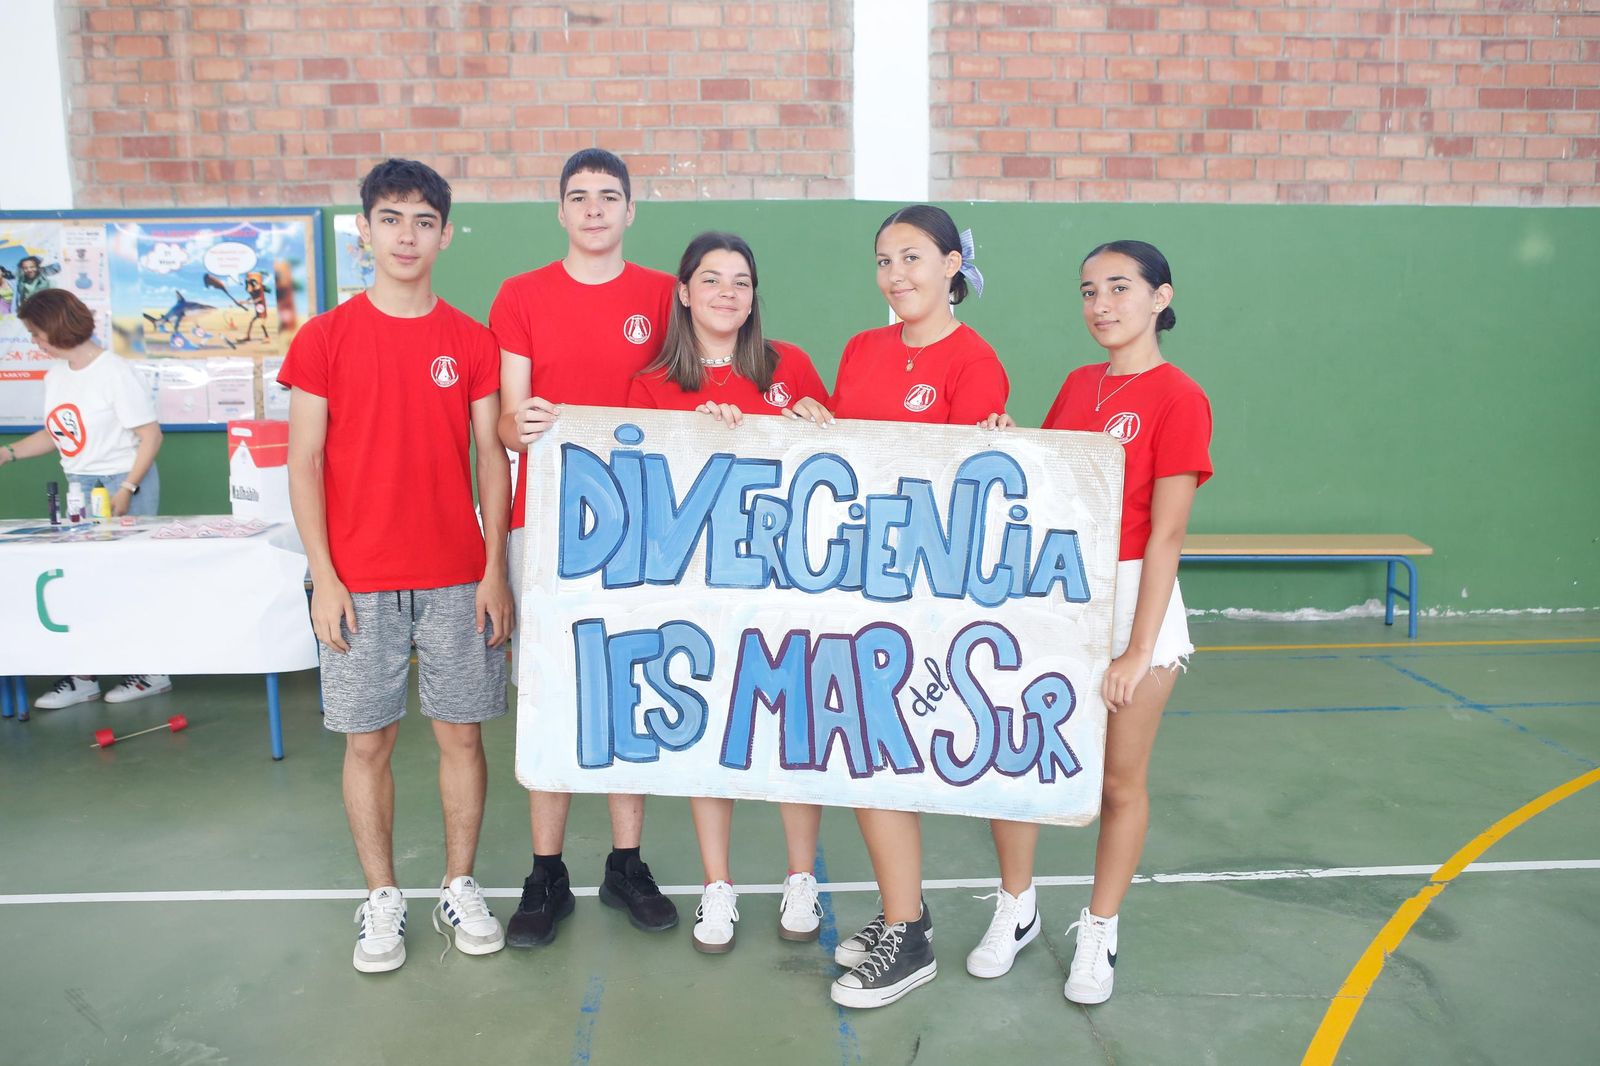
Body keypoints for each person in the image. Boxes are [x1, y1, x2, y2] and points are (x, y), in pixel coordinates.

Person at [281, 158, 514, 974]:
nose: (407, 235)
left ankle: (459, 883)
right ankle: (381, 899)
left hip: (457, 575)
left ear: (444, 234)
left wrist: (495, 569)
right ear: (365, 231)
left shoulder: (471, 339)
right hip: (359, 582)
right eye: (391, 218)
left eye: (423, 220)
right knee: (368, 744)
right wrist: (325, 575)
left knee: (462, 737)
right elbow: (303, 462)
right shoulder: (324, 339)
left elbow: (493, 459)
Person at [975, 240, 1212, 1005]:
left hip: (1138, 598)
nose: (1101, 304)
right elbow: (1048, 485)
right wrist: (1011, 440)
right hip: (1060, 597)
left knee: (1117, 782)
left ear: (1159, 297)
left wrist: (1139, 649)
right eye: (1088, 291)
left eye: (1119, 288)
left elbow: (1168, 533)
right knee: (1016, 768)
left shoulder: (1181, 396)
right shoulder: (1080, 385)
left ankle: (1100, 928)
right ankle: (1016, 908)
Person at [785, 204, 1009, 1009]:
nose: (896, 275)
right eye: (884, 261)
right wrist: (817, 426)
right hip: (855, 586)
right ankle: (901, 911)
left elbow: (962, 494)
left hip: (923, 601)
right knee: (863, 760)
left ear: (954, 265)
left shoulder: (975, 362)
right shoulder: (861, 349)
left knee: (882, 759)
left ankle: (909, 938)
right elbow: (854, 465)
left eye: (913, 258)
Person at [492, 147, 680, 947]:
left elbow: (703, 394)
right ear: (560, 210)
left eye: (610, 196)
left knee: (629, 684)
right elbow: (505, 423)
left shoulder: (666, 295)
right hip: (549, 523)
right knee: (551, 691)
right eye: (580, 196)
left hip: (644, 525)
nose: (596, 209)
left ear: (631, 210)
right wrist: (519, 425)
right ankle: (547, 871)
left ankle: (626, 863)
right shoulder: (522, 295)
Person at [625, 231, 830, 953]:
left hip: (784, 585)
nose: (726, 294)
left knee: (790, 729)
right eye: (710, 280)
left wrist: (814, 424)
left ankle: (800, 876)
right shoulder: (653, 382)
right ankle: (719, 886)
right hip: (696, 591)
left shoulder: (789, 367)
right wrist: (686, 437)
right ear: (683, 292)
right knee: (712, 732)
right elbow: (640, 491)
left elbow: (838, 471)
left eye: (740, 281)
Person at [1, 288, 172, 709]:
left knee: (128, 579)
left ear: (59, 327)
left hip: (120, 482)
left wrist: (126, 490)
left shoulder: (114, 372)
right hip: (79, 485)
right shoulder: (57, 375)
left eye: (37, 333)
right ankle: (84, 675)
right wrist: (7, 453)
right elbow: (57, 433)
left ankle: (151, 670)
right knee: (80, 580)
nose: (35, 343)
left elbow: (150, 436)